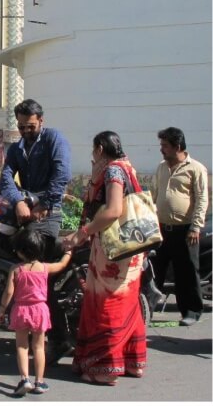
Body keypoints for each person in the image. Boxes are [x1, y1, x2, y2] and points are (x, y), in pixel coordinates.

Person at [62, 131, 147, 385]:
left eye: (93, 150)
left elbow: (113, 210)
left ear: (100, 148)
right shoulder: (126, 166)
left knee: (107, 304)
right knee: (127, 302)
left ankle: (104, 368)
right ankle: (132, 362)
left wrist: (82, 233)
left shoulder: (113, 172)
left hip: (113, 251)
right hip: (131, 249)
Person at [0, 99, 72, 364]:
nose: (25, 131)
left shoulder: (54, 140)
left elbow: (61, 175)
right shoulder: (17, 147)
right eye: (20, 126)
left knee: (38, 280)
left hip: (47, 214)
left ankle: (60, 339)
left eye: (29, 126)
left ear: (41, 120)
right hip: (26, 212)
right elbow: (6, 176)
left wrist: (42, 204)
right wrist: (17, 200)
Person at [0, 229, 73, 396]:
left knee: (22, 347)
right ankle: (40, 382)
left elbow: (8, 292)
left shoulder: (16, 270)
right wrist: (68, 252)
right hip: (40, 309)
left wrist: (2, 310)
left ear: (20, 251)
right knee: (39, 347)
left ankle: (25, 379)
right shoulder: (44, 268)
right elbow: (62, 265)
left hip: (21, 309)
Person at [150, 127, 209, 326]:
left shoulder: (196, 168)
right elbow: (154, 194)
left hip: (185, 231)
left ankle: (191, 311)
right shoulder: (161, 167)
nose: (161, 149)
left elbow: (202, 199)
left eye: (165, 146)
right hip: (161, 229)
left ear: (177, 147)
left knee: (187, 273)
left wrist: (195, 227)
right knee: (154, 270)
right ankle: (148, 308)